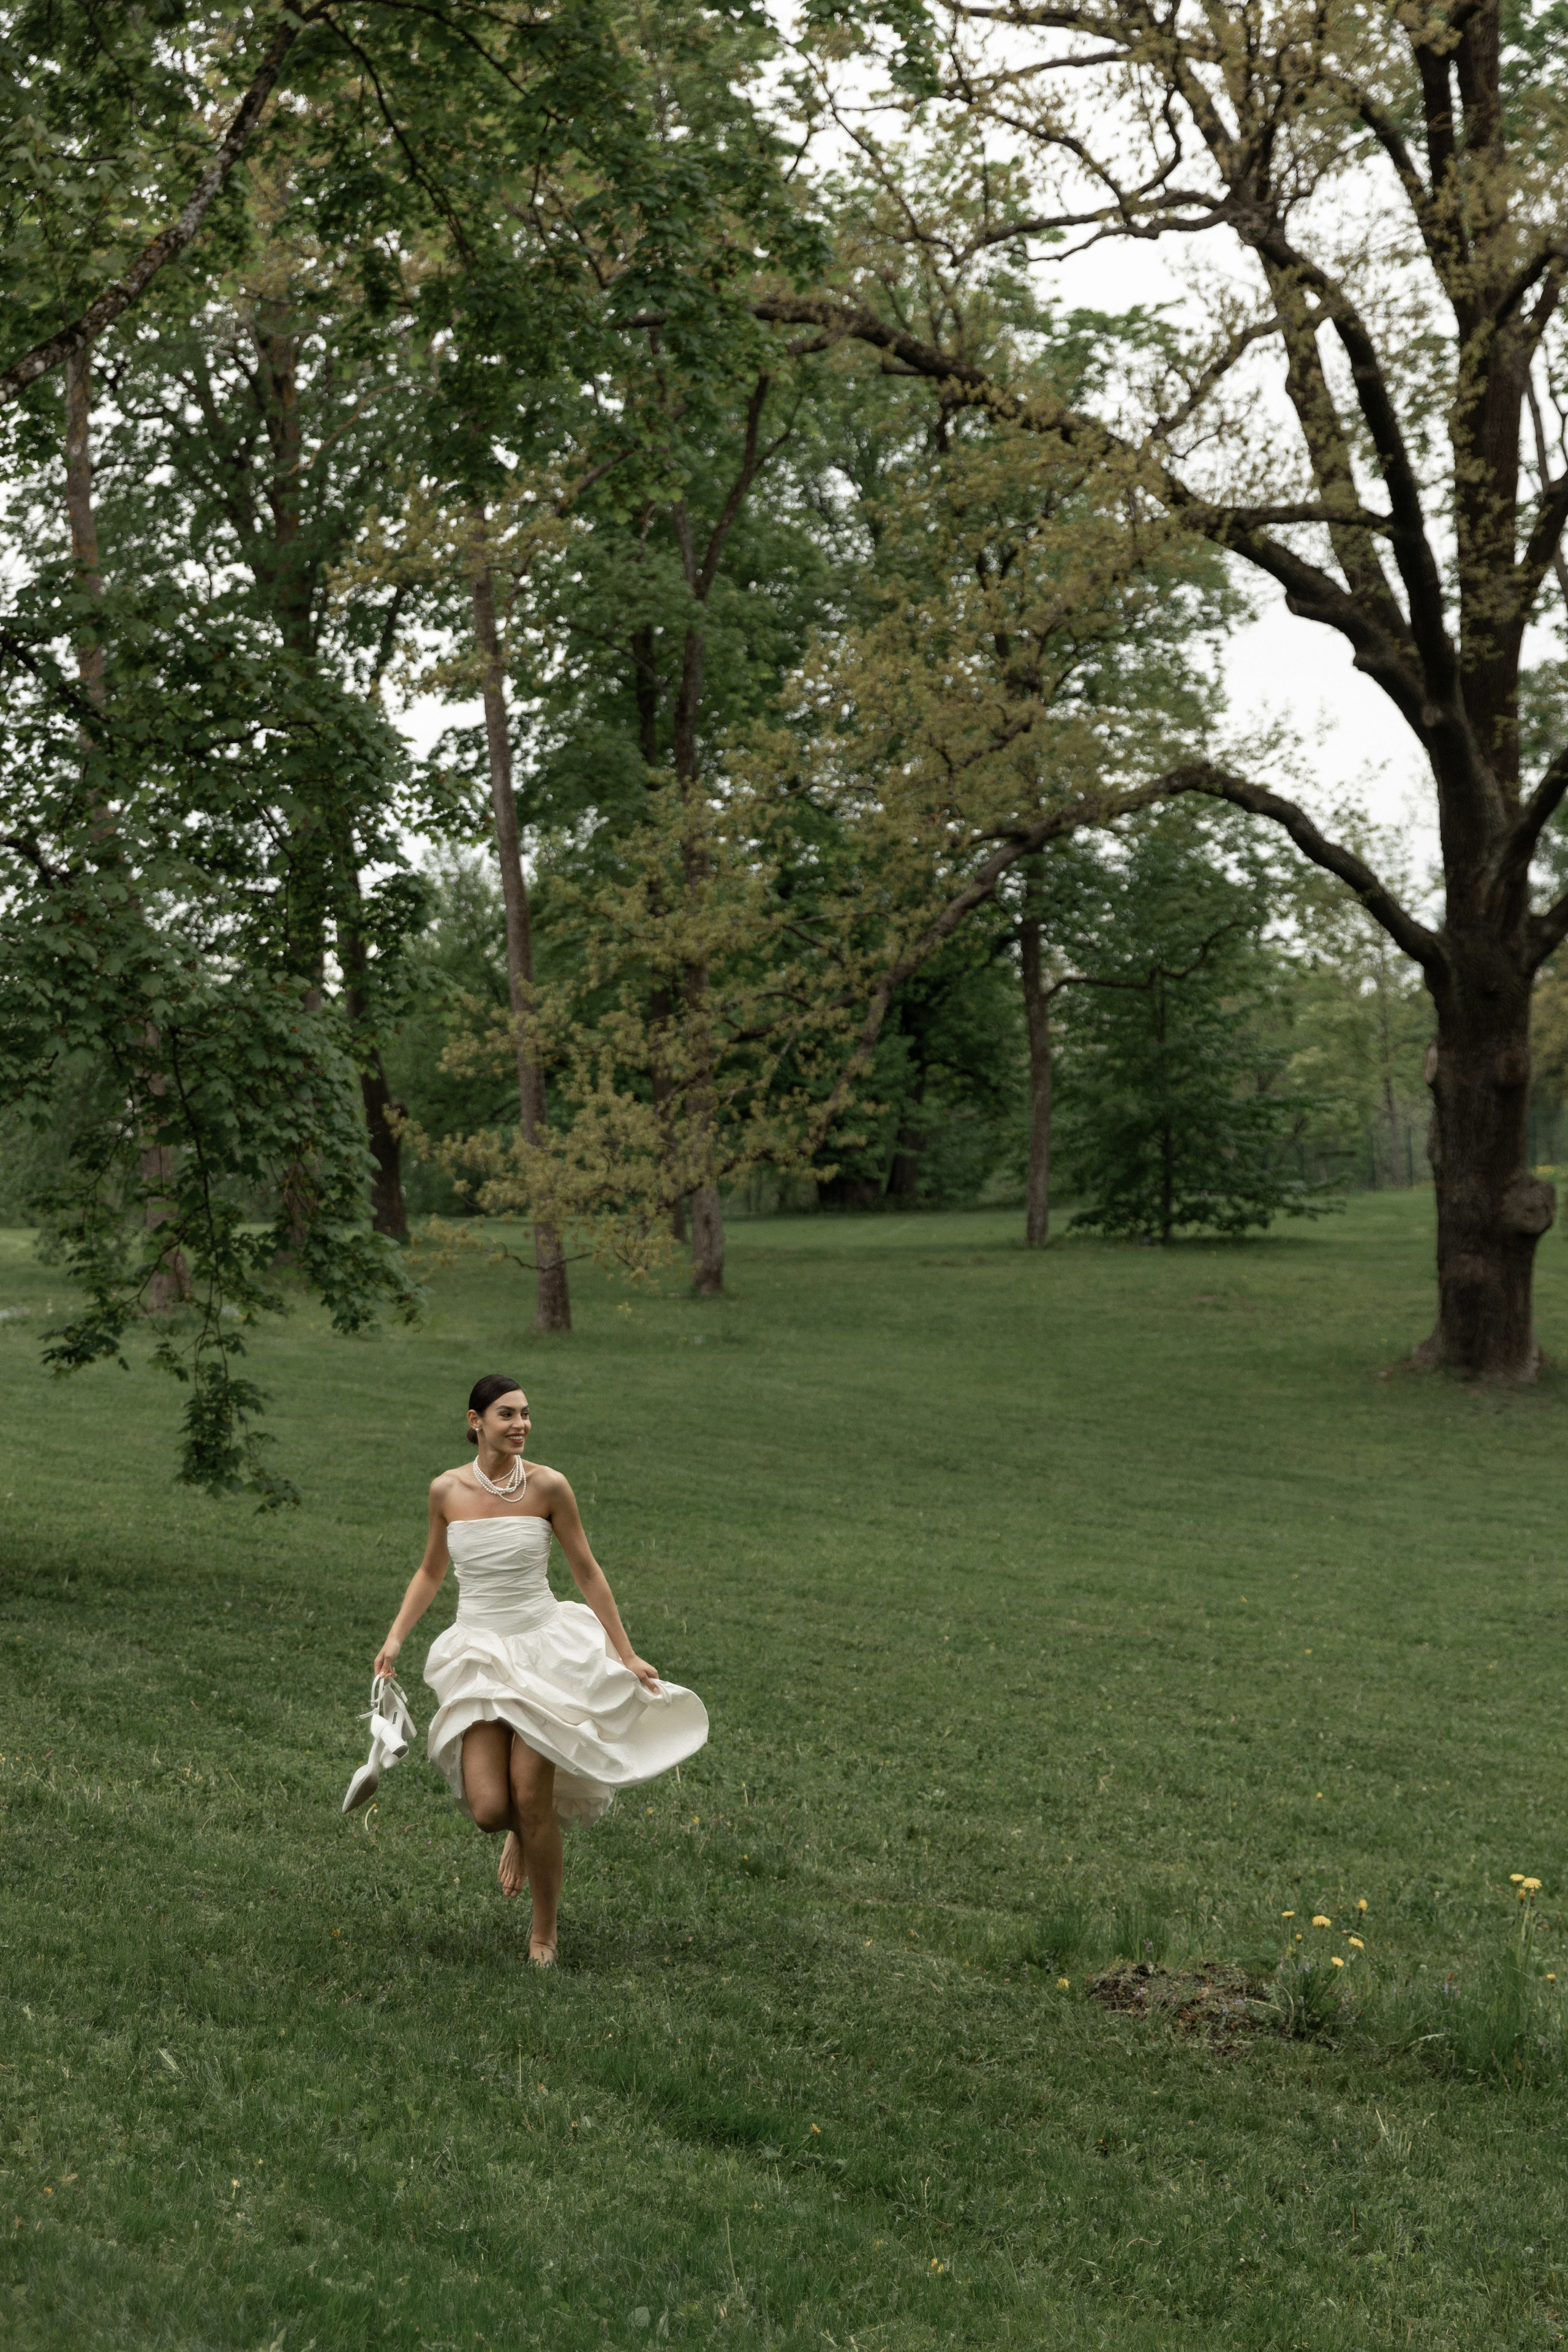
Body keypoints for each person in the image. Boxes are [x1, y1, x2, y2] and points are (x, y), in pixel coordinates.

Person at [373, 1373, 709, 1966]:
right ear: (475, 1420)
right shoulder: (446, 1492)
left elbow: (587, 1570)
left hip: (544, 1652)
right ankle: (518, 1838)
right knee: (490, 1809)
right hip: (479, 1656)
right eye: (507, 1414)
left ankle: (544, 1934)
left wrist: (624, 1653)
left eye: (526, 1414)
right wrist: (396, 1638)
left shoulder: (550, 1487)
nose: (521, 1424)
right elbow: (430, 1572)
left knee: (532, 1797)